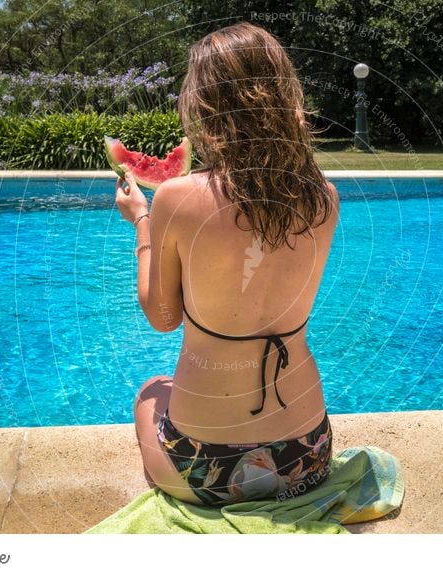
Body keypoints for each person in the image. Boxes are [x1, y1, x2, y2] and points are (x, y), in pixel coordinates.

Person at [114, 22, 340, 506]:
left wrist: (141, 221)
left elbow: (163, 318)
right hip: (309, 455)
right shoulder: (325, 198)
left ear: (206, 104)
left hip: (204, 471)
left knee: (152, 391)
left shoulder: (177, 197)